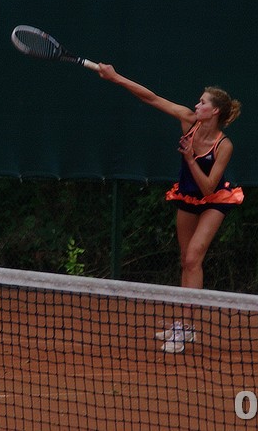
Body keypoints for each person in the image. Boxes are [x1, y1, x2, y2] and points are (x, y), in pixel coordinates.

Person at [97, 64, 243, 352]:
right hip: (186, 197)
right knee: (186, 261)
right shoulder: (188, 120)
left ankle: (186, 327)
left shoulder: (224, 145)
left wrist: (190, 158)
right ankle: (184, 326)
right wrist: (115, 77)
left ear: (214, 111)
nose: (196, 105)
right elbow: (151, 98)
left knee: (194, 257)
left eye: (202, 102)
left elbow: (208, 188)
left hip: (214, 201)